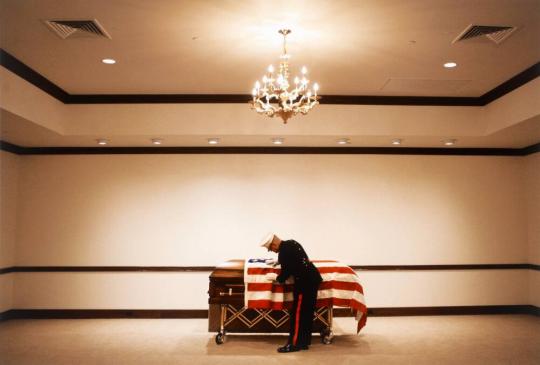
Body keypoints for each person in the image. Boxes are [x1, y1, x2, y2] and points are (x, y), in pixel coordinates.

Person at [261, 233, 323, 353]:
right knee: (306, 313)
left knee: (297, 314)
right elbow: (296, 259)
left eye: (270, 248)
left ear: (274, 244)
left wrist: (276, 277)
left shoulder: (283, 252)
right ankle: (303, 342)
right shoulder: (291, 243)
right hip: (312, 279)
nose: (270, 251)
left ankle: (294, 344)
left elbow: (285, 275)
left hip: (304, 283)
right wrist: (279, 262)